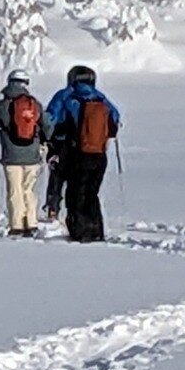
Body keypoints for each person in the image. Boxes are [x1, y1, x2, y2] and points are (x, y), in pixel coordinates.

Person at [45, 65, 120, 243]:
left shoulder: (65, 96)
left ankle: (80, 232)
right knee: (92, 194)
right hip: (99, 154)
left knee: (75, 193)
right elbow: (115, 120)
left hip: (76, 153)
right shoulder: (101, 98)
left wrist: (51, 142)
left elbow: (49, 120)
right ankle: (96, 230)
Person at [0, 69, 49, 237]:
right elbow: (47, 125)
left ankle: (17, 225)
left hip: (11, 156)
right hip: (33, 155)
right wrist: (45, 141)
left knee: (14, 191)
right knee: (29, 190)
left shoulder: (1, 105)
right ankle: (31, 223)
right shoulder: (35, 104)